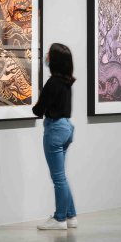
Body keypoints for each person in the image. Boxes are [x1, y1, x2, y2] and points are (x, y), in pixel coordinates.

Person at [32, 43, 78, 230]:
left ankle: (60, 219)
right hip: (67, 128)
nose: (46, 57)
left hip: (55, 130)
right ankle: (71, 216)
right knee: (61, 177)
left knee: (58, 178)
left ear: (55, 60)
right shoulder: (67, 82)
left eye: (49, 54)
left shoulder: (52, 83)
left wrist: (38, 99)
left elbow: (38, 110)